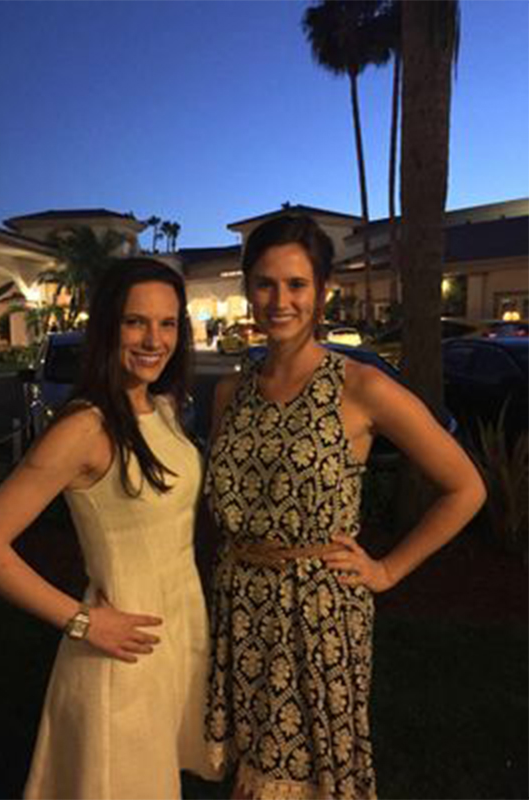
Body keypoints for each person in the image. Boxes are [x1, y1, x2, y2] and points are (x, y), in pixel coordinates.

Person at [203, 215, 486, 800]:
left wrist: (388, 570)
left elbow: (466, 487)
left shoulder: (361, 387)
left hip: (320, 610)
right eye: (264, 284)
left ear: (321, 292)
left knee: (317, 771)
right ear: (248, 291)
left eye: (296, 285)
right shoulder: (230, 393)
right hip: (239, 602)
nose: (279, 300)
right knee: (250, 771)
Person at [0, 258, 217, 800]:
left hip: (176, 637)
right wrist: (82, 622)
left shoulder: (162, 407)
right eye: (135, 322)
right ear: (107, 328)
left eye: (167, 324)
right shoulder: (84, 427)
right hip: (119, 655)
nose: (154, 339)